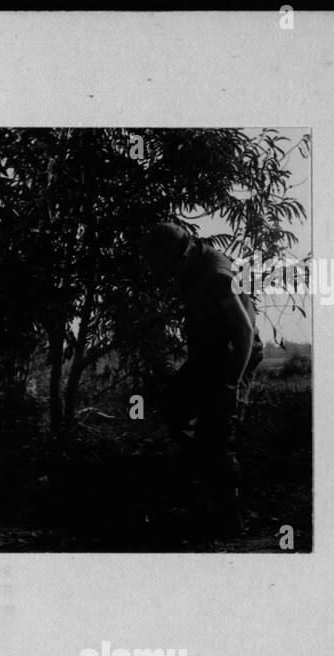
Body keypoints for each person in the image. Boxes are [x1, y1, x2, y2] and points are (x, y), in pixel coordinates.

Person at [139, 222, 261, 539]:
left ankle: (230, 521)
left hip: (237, 353)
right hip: (209, 353)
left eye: (165, 266)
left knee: (219, 428)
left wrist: (231, 385)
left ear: (179, 257)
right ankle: (206, 468)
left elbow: (245, 332)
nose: (164, 274)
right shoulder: (190, 266)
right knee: (173, 410)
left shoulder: (215, 275)